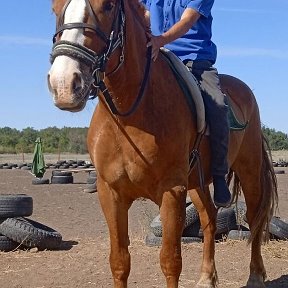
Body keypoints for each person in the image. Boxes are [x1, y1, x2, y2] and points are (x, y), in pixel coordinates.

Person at [140, 0, 231, 207]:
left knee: (218, 105)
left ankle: (218, 175)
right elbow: (144, 15)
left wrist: (160, 40)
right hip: (155, 55)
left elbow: (188, 19)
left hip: (193, 60)